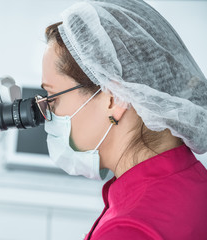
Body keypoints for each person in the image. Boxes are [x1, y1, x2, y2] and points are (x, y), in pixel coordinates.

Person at [35, 0, 207, 239]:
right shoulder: (195, 181)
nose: (47, 112)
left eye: (53, 97)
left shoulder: (127, 230)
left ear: (114, 99)